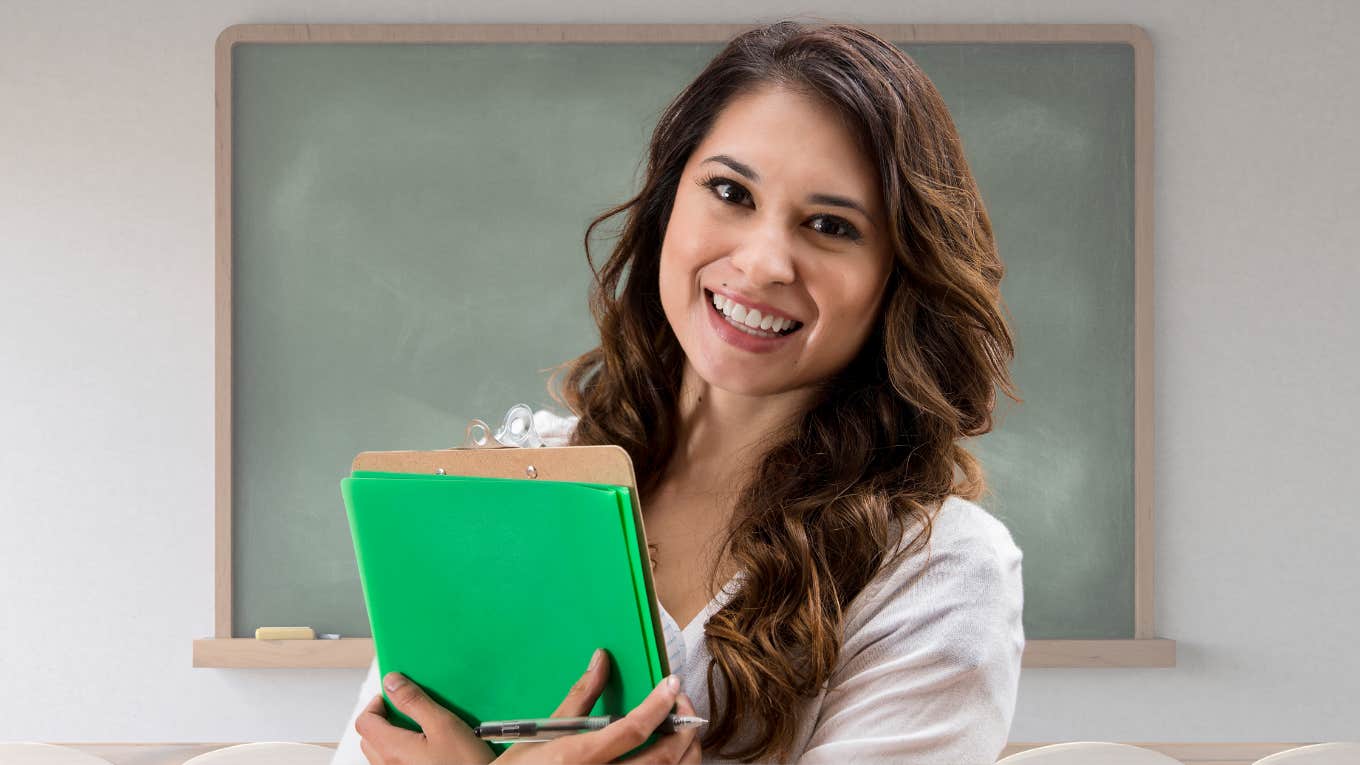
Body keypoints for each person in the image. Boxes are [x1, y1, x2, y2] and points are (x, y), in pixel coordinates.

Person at [334, 19, 1024, 765]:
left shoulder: (936, 568)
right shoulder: (508, 487)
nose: (762, 264)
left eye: (830, 225)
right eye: (730, 191)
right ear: (668, 203)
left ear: (900, 274)